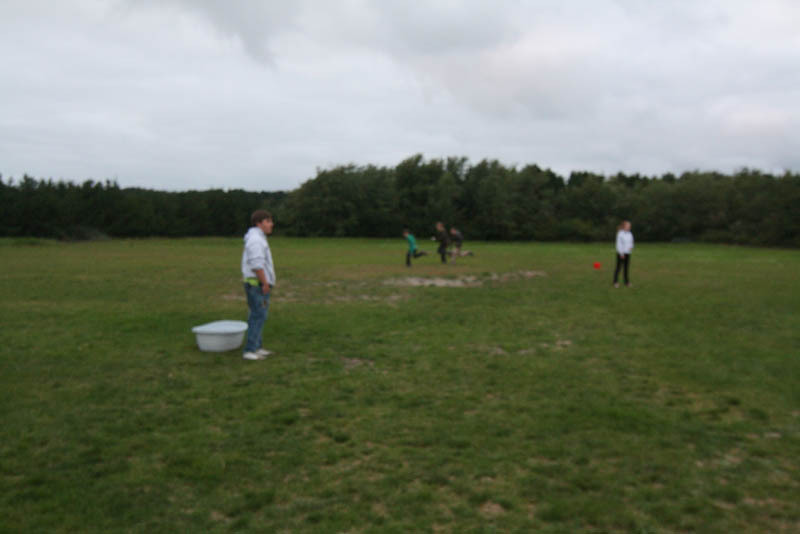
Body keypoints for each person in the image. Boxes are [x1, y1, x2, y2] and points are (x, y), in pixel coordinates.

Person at [241, 210, 276, 360]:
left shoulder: (258, 238)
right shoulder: (255, 240)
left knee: (258, 315)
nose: (271, 224)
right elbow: (256, 264)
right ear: (259, 223)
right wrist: (265, 283)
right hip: (257, 284)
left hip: (257, 284)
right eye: (268, 221)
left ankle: (257, 347)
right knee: (258, 316)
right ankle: (250, 350)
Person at [613, 220, 634, 288]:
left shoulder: (630, 234)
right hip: (621, 254)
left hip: (628, 253)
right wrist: (621, 254)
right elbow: (619, 244)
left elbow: (631, 242)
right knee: (618, 268)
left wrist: (631, 247)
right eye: (628, 226)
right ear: (624, 226)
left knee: (626, 268)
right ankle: (615, 282)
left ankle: (626, 282)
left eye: (630, 226)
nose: (629, 227)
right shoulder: (620, 234)